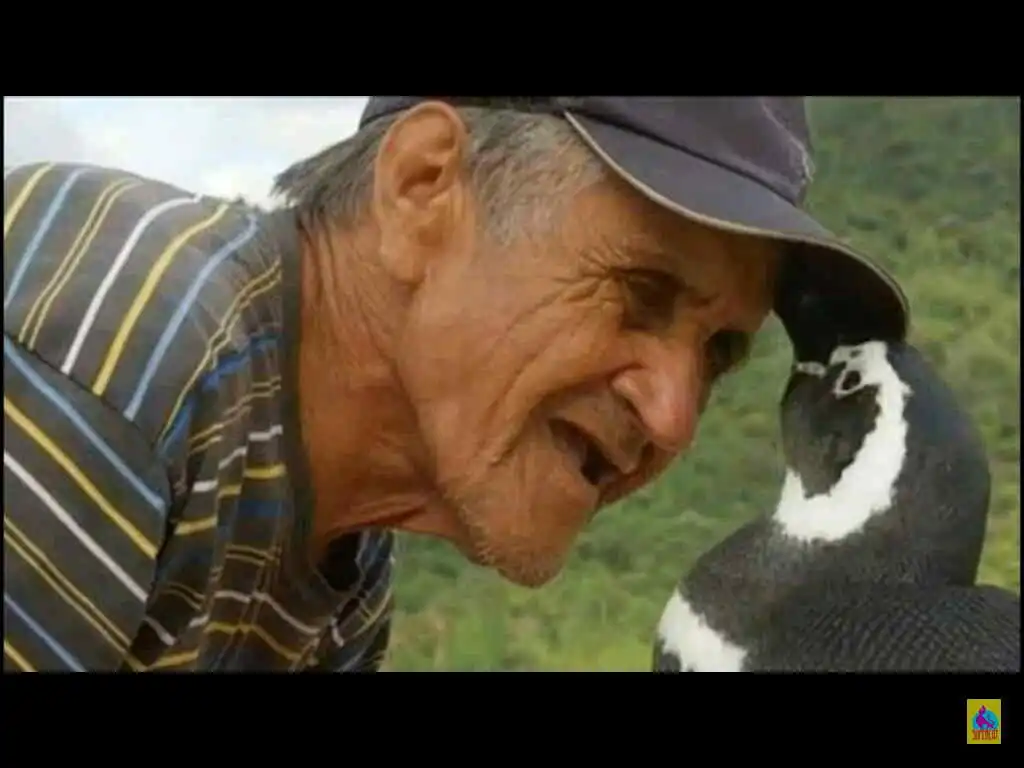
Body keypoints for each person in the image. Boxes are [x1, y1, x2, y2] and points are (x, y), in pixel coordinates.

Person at [2, 97, 909, 672]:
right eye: (639, 291)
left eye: (715, 355)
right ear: (423, 188)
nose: (673, 417)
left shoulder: (344, 571)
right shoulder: (114, 334)